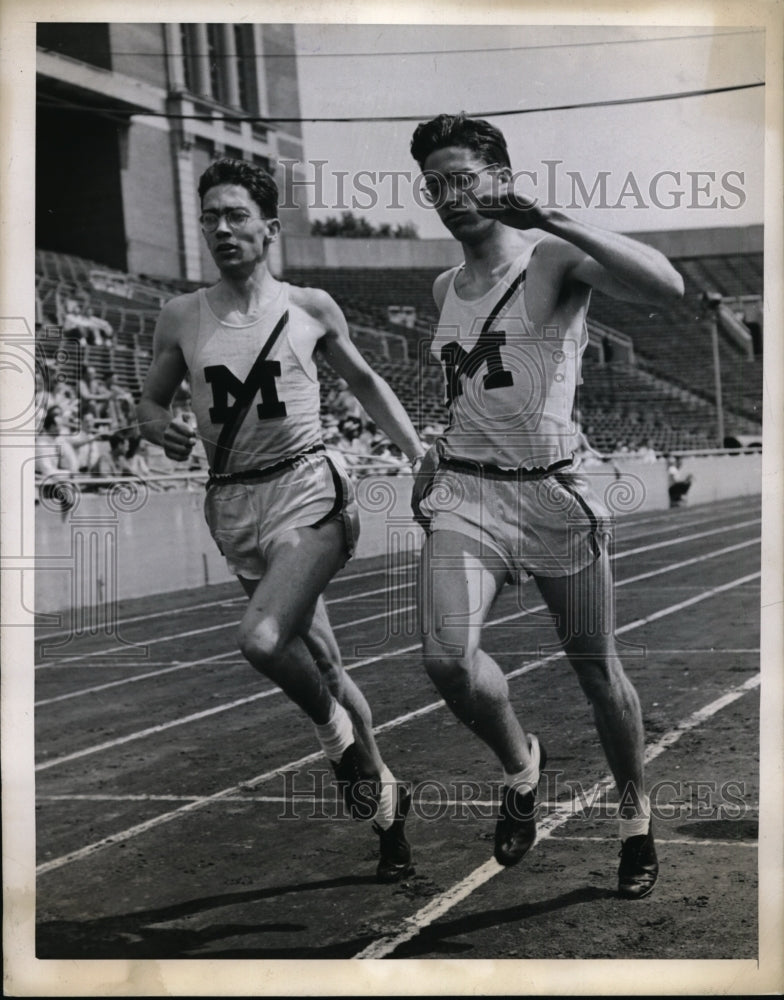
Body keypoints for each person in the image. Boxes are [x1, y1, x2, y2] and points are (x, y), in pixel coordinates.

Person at [409, 113, 684, 899]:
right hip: (469, 491)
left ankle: (635, 821)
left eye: (463, 177)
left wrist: (552, 214)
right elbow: (473, 385)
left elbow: (666, 286)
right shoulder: (442, 286)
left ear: (500, 175)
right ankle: (521, 769)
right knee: (446, 658)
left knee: (596, 671)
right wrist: (435, 449)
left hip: (555, 493)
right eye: (436, 184)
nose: (450, 196)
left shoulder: (553, 257)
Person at [136, 158, 427, 883]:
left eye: (236, 216)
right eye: (210, 218)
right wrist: (155, 426)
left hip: (308, 491)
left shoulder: (310, 306)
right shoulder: (181, 316)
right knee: (323, 662)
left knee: (263, 640)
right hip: (233, 502)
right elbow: (148, 401)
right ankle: (388, 804)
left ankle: (340, 747)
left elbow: (365, 381)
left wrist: (418, 451)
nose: (222, 230)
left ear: (269, 228)